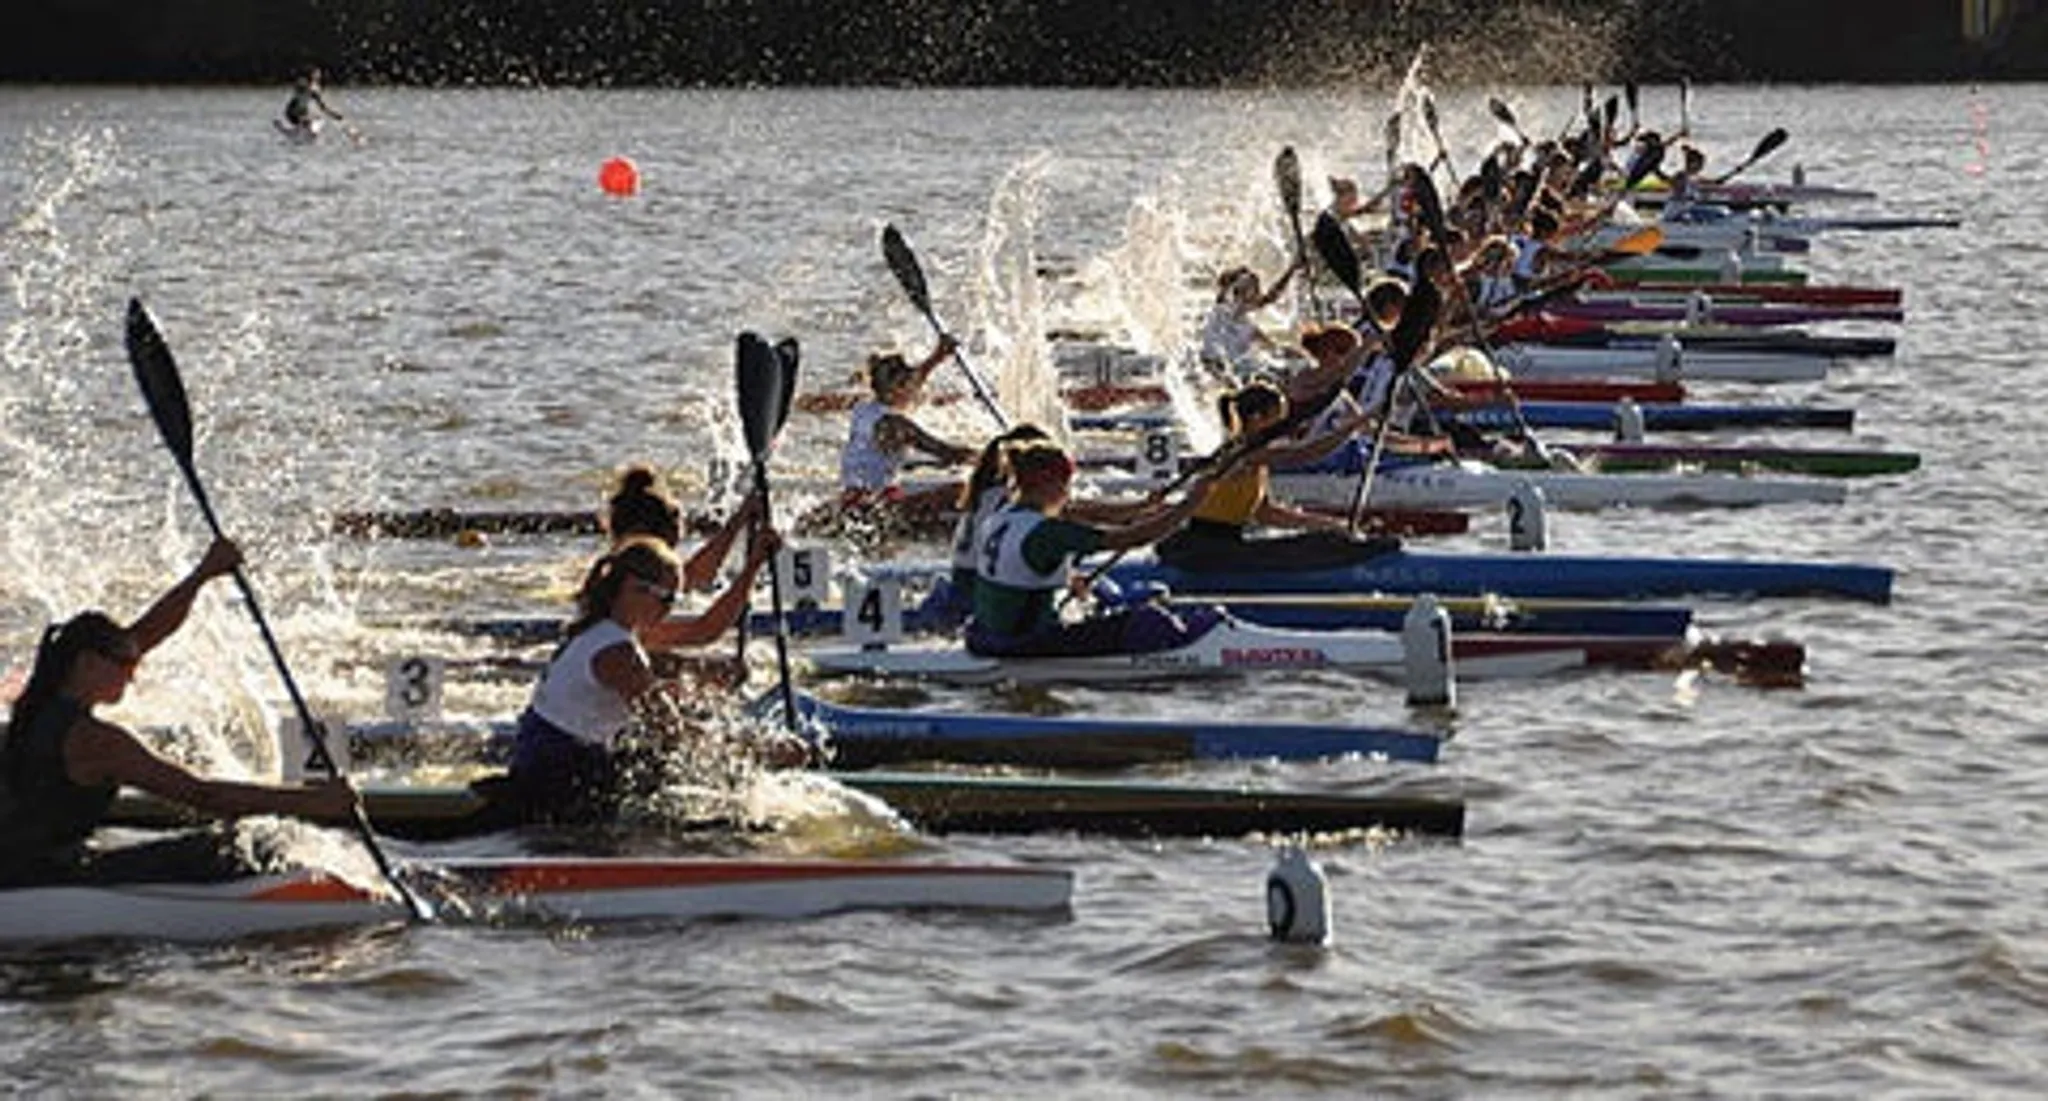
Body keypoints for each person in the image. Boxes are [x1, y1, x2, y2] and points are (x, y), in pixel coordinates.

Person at [0, 538, 359, 887]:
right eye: (124, 664)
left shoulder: (40, 696)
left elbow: (147, 632)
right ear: (88, 663)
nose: (134, 674)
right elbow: (204, 796)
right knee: (243, 845)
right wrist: (313, 802)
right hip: (43, 879)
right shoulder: (95, 740)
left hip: (24, 864)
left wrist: (203, 574)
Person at [501, 534, 792, 824]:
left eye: (675, 600)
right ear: (631, 589)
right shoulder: (618, 651)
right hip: (557, 778)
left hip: (549, 757)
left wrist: (753, 567)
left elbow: (694, 644)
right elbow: (671, 730)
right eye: (666, 598)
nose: (670, 609)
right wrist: (758, 749)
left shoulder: (606, 628)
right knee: (668, 764)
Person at [964, 440, 1217, 658]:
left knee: (1106, 606)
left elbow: (1016, 568)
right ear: (1049, 484)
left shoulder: (1001, 517)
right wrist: (1191, 504)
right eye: (1067, 484)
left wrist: (1143, 507)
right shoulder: (1047, 531)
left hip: (986, 636)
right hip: (1023, 645)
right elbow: (1135, 537)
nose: (1068, 492)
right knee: (1149, 622)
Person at [1154, 380, 1396, 572]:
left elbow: (1267, 513)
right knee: (1316, 549)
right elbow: (1307, 453)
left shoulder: (1255, 460)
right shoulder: (1240, 454)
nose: (1284, 433)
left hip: (1224, 544)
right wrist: (1359, 422)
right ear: (1256, 420)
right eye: (1276, 423)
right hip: (1205, 551)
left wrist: (1331, 524)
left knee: (1323, 539)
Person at [839, 337, 976, 517]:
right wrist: (996, 457)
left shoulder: (863, 408)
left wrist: (937, 356)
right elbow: (949, 453)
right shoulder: (896, 425)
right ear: (898, 388)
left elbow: (915, 379)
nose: (917, 389)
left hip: (852, 497)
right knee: (960, 490)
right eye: (910, 384)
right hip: (874, 507)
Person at [1197, 260, 1301, 379]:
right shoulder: (1220, 309)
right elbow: (1267, 298)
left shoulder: (1249, 329)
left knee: (1282, 369)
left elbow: (1275, 348)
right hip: (1216, 369)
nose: (1244, 300)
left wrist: (1292, 270)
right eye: (1240, 292)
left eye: (1251, 294)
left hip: (1241, 374)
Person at [280, 68, 345, 136]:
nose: (319, 77)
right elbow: (298, 88)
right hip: (291, 113)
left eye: (319, 75)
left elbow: (323, 107)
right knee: (309, 116)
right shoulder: (303, 85)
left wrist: (335, 115)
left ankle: (306, 129)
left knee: (317, 118)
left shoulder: (314, 92)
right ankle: (303, 128)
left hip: (301, 114)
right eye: (317, 74)